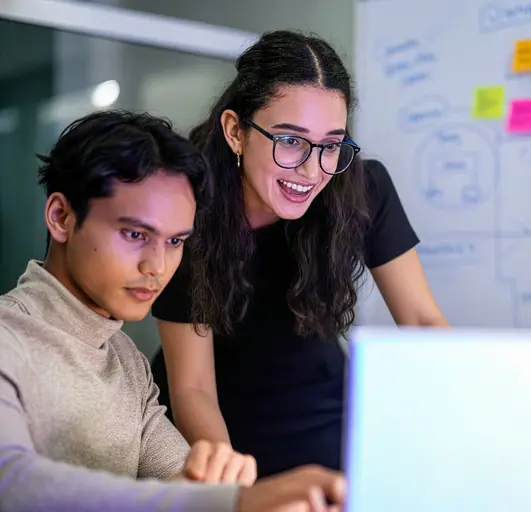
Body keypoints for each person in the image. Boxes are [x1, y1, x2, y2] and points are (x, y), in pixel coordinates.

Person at [0, 110, 346, 512]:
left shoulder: (127, 362)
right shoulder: (9, 340)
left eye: (176, 241)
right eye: (135, 234)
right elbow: (12, 483)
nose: (157, 267)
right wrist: (229, 501)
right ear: (61, 216)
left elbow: (183, 485)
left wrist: (224, 485)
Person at [149, 29, 449, 478]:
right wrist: (234, 491)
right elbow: (193, 390)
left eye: (331, 144)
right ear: (235, 131)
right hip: (216, 434)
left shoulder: (363, 190)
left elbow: (423, 323)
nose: (312, 170)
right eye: (290, 140)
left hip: (326, 420)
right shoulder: (186, 208)